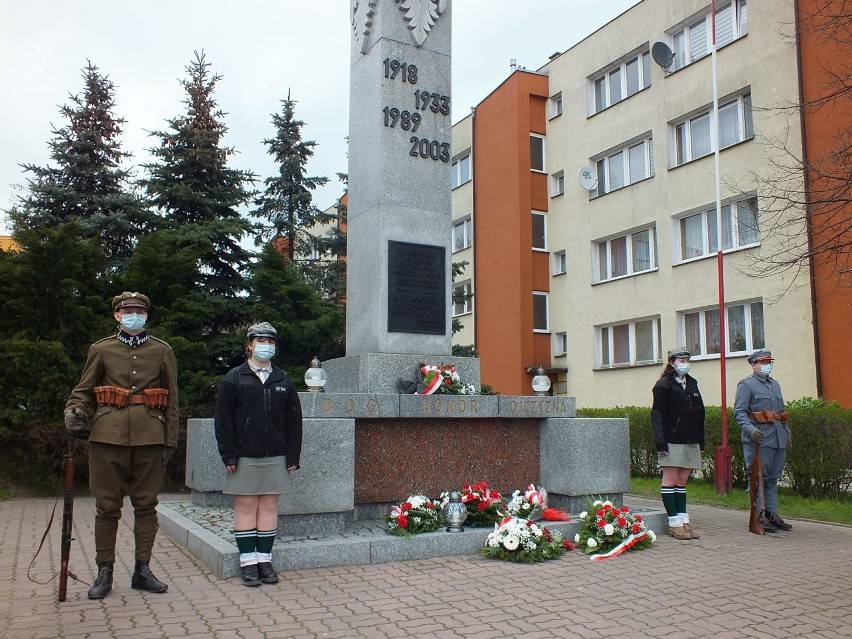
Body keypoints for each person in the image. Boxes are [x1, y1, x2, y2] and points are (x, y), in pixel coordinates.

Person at [64, 292, 179, 599]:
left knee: (146, 506)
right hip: (107, 437)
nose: (133, 314)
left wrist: (169, 442)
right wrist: (73, 412)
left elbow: (173, 402)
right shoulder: (101, 349)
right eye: (127, 310)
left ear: (146, 315)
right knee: (107, 508)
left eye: (139, 310)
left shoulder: (162, 351)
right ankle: (105, 571)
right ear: (117, 315)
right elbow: (83, 392)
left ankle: (142, 570)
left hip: (149, 438)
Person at [214, 322, 303, 587]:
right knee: (245, 506)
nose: (266, 346)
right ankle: (247, 562)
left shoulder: (282, 379)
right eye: (261, 341)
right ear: (250, 345)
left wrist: (292, 455)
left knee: (269, 506)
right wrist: (229, 455)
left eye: (271, 342)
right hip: (244, 455)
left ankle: (264, 559)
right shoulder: (234, 378)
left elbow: (294, 420)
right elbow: (223, 420)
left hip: (275, 454)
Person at [734, 348, 792, 533]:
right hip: (759, 439)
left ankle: (772, 514)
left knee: (773, 478)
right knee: (759, 478)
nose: (766, 366)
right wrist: (750, 430)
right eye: (763, 363)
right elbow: (740, 412)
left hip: (777, 438)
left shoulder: (775, 385)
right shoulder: (746, 385)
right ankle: (758, 515)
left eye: (769, 363)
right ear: (753, 364)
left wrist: (786, 433)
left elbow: (781, 413)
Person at [651, 347, 705, 541]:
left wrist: (701, 438)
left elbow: (700, 413)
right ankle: (674, 524)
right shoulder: (663, 385)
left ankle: (684, 521)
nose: (684, 363)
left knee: (681, 482)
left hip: (690, 439)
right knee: (670, 480)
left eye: (686, 360)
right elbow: (657, 415)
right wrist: (661, 442)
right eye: (680, 360)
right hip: (671, 440)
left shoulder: (692, 383)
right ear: (672, 363)